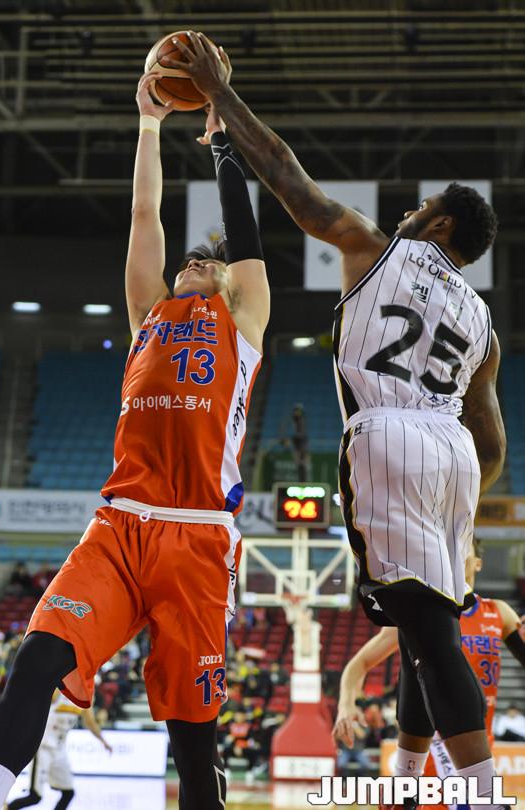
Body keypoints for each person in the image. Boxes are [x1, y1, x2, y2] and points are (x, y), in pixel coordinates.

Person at [164, 31, 506, 809]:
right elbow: (492, 439)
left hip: (391, 433)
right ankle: (417, 785)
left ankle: (482, 796)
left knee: (430, 635)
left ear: (442, 227)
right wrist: (458, 505)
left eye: (422, 209)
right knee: (425, 630)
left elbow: (287, 174)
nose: (410, 213)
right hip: (454, 453)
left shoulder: (373, 246)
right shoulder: (483, 323)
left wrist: (220, 93)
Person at [0, 70, 270, 810]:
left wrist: (221, 147)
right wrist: (148, 124)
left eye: (208, 262)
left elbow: (245, 240)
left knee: (192, 739)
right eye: (189, 258)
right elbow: (145, 214)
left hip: (197, 538)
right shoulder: (149, 316)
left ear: (231, 285)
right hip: (117, 527)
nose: (194, 261)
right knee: (37, 658)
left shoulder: (243, 325)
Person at [333, 540, 525, 806]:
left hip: (477, 742)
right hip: (431, 745)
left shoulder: (498, 611)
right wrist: (345, 705)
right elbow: (359, 663)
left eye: (462, 547)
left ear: (478, 563)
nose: (454, 552)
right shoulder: (420, 615)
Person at [7, 690, 111, 810]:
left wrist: (103, 741)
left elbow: (90, 722)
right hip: (43, 747)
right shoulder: (59, 689)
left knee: (68, 793)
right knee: (34, 797)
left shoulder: (86, 695)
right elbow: (36, 703)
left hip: (59, 750)